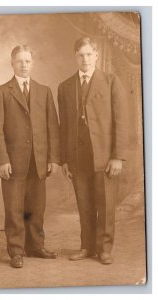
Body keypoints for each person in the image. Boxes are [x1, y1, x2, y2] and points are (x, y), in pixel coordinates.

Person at [0, 45, 60, 268]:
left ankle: (36, 246)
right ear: (12, 63)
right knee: (14, 207)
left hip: (38, 161)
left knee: (37, 207)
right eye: (19, 61)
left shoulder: (44, 91)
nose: (24, 65)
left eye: (28, 61)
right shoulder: (0, 92)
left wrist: (53, 158)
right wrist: (1, 160)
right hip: (12, 162)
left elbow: (53, 128)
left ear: (33, 63)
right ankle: (16, 251)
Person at [58, 37, 129, 264]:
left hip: (105, 157)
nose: (85, 59)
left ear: (96, 56)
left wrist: (117, 156)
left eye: (89, 54)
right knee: (84, 204)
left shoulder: (111, 81)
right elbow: (64, 127)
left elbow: (121, 121)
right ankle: (86, 247)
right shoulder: (65, 87)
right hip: (78, 158)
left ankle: (104, 249)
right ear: (75, 57)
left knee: (106, 204)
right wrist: (65, 160)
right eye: (80, 55)